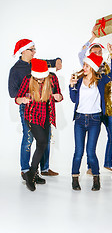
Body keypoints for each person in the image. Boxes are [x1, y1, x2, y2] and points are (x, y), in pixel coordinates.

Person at [8, 39, 62, 182]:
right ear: (23, 51)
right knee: (28, 138)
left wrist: (58, 61)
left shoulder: (37, 62)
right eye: (32, 49)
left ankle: (43, 168)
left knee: (45, 138)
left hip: (44, 107)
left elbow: (52, 62)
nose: (34, 52)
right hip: (27, 108)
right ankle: (26, 170)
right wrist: (28, 93)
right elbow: (13, 93)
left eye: (34, 49)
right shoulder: (16, 70)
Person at [78, 26, 112, 174]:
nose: (98, 54)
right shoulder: (86, 67)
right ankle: (89, 167)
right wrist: (92, 38)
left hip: (107, 106)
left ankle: (107, 162)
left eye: (100, 52)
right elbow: (80, 53)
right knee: (90, 140)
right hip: (91, 108)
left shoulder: (106, 67)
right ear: (90, 54)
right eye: (95, 52)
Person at [70, 44, 112, 191]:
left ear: (92, 66)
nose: (83, 67)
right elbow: (73, 99)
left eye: (86, 65)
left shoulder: (100, 80)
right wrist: (71, 86)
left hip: (94, 120)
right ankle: (74, 179)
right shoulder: (78, 80)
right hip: (79, 120)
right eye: (84, 64)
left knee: (91, 151)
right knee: (79, 151)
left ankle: (96, 180)